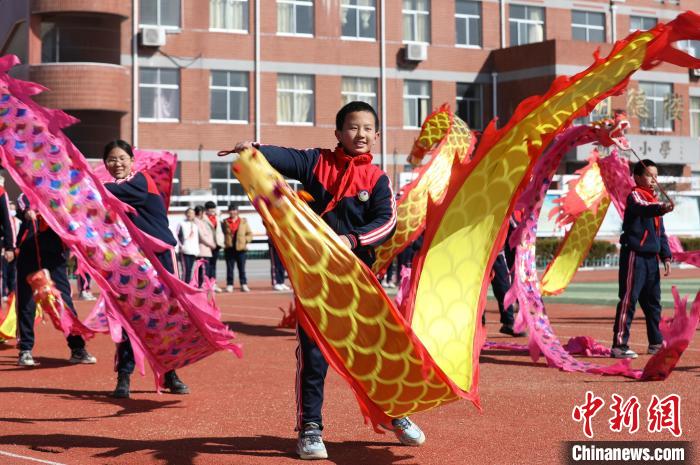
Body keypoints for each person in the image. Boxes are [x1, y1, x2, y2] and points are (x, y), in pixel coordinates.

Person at [230, 101, 424, 460]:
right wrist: (253, 149)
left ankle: (396, 413)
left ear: (377, 136)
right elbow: (281, 157)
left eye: (367, 128)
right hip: (316, 281)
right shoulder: (316, 163)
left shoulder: (378, 179)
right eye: (352, 127)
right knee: (314, 357)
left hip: (359, 281)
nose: (360, 134)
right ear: (338, 133)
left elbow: (387, 223)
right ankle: (310, 429)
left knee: (377, 349)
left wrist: (350, 240)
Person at [102, 139, 189, 397]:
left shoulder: (141, 182)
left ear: (131, 160)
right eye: (111, 160)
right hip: (132, 261)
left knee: (164, 316)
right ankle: (124, 377)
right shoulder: (113, 189)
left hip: (160, 257)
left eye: (121, 158)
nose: (116, 163)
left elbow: (101, 193)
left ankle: (170, 374)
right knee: (129, 317)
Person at [15, 194, 97, 366]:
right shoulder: (27, 193)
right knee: (27, 303)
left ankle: (77, 348)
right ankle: (25, 350)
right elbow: (22, 203)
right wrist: (28, 211)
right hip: (28, 254)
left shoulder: (64, 195)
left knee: (64, 302)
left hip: (54, 256)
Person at [611, 159, 673, 359]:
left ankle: (655, 342)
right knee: (629, 300)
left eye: (656, 176)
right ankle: (619, 345)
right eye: (649, 175)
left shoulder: (654, 200)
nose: (654, 179)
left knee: (653, 303)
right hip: (634, 256)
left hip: (651, 260)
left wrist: (666, 255)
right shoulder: (635, 196)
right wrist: (661, 207)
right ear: (637, 177)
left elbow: (660, 232)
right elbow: (643, 208)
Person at [221, 204, 253, 292]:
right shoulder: (225, 222)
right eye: (231, 210)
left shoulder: (243, 221)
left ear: (237, 211)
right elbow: (221, 233)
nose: (233, 212)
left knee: (242, 268)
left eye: (234, 210)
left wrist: (245, 240)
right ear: (229, 212)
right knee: (229, 268)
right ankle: (230, 284)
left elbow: (249, 234)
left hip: (241, 249)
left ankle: (243, 284)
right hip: (229, 248)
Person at [204, 201, 225, 292]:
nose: (212, 211)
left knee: (213, 265)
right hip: (207, 245)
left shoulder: (217, 217)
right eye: (210, 209)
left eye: (213, 209)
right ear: (206, 210)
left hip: (217, 244)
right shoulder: (203, 218)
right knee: (206, 265)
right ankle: (206, 283)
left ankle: (213, 283)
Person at [194, 205, 216, 288]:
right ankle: (202, 284)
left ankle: (204, 284)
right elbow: (201, 236)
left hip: (206, 248)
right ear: (200, 212)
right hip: (203, 248)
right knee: (203, 269)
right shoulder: (197, 221)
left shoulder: (202, 220)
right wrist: (211, 244)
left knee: (206, 268)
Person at [176, 208, 200, 284]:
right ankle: (183, 286)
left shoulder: (196, 225)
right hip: (185, 251)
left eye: (192, 213)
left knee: (190, 270)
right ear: (186, 214)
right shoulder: (182, 224)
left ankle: (188, 286)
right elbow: (177, 236)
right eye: (189, 213)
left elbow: (197, 238)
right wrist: (181, 246)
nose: (190, 215)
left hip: (193, 251)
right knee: (186, 270)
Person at [2, 199, 18, 301]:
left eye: (13, 209)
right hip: (6, 250)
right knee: (4, 273)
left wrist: (10, 247)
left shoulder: (18, 222)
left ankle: (12, 292)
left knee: (12, 273)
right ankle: (4, 293)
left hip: (14, 250)